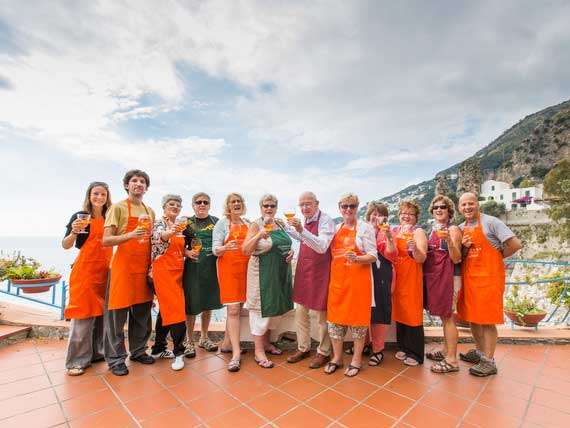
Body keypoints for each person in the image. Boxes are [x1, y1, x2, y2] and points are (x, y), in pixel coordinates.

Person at [457, 192, 522, 377]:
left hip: (489, 279)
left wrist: (497, 256)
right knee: (473, 317)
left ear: (478, 204)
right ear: (460, 208)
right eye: (464, 205)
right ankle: (479, 352)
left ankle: (489, 361)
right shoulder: (462, 227)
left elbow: (515, 244)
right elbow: (461, 257)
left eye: (471, 203)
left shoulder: (491, 222)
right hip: (470, 279)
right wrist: (463, 247)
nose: (467, 207)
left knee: (487, 320)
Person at [103, 169, 156, 376]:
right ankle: (116, 359)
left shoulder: (149, 211)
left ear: (146, 188)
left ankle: (138, 351)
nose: (139, 184)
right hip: (123, 269)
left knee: (142, 315)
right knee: (117, 316)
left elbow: (152, 240)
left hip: (142, 269)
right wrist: (131, 234)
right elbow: (106, 240)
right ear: (127, 185)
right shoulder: (117, 208)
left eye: (142, 181)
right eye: (134, 181)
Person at [62, 182, 113, 376]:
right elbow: (66, 245)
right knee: (82, 315)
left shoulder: (110, 218)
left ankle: (95, 353)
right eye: (96, 194)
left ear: (107, 197)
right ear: (89, 195)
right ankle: (75, 361)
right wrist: (74, 232)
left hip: (105, 271)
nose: (99, 197)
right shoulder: (80, 217)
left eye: (103, 194)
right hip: (85, 271)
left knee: (101, 316)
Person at [324, 193, 377, 377]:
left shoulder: (365, 228)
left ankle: (356, 360)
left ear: (357, 207)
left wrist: (358, 258)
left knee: (358, 324)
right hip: (337, 283)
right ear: (339, 207)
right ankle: (337, 358)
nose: (348, 209)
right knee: (335, 323)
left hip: (358, 284)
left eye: (352, 206)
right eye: (345, 206)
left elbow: (373, 255)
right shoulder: (335, 228)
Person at [281, 191, 334, 369]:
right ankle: (303, 348)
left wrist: (301, 230)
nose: (304, 207)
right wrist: (286, 228)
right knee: (301, 312)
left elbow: (321, 246)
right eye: (301, 204)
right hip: (304, 269)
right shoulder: (305, 220)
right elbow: (302, 237)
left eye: (308, 204)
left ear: (317, 203)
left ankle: (324, 351)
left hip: (321, 271)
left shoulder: (326, 220)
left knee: (321, 314)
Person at [242, 194, 294, 369]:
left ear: (276, 207)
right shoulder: (256, 224)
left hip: (279, 274)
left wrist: (291, 252)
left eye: (272, 205)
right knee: (261, 311)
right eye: (266, 206)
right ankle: (258, 352)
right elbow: (245, 250)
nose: (269, 208)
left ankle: (266, 343)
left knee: (274, 310)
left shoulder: (280, 223)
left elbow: (286, 244)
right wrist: (258, 236)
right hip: (261, 274)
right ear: (261, 207)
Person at [423, 195, 462, 373]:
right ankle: (446, 351)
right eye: (436, 207)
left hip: (450, 278)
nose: (439, 210)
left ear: (449, 211)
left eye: (443, 207)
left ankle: (452, 360)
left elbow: (456, 258)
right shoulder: (433, 230)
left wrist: (448, 241)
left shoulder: (452, 229)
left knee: (448, 317)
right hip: (438, 278)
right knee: (443, 317)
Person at [148, 194, 187, 371]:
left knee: (165, 311)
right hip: (162, 273)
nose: (175, 207)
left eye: (178, 205)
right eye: (171, 204)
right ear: (164, 207)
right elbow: (157, 238)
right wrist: (168, 233)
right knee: (177, 312)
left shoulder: (181, 224)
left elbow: (181, 247)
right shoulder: (160, 223)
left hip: (177, 273)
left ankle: (158, 349)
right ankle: (179, 352)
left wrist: (188, 253)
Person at [212, 193, 250, 372]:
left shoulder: (248, 223)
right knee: (233, 309)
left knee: (239, 308)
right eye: (233, 202)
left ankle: (227, 343)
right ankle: (236, 354)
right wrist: (225, 247)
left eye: (239, 201)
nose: (236, 204)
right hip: (228, 270)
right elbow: (215, 250)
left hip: (246, 270)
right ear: (227, 205)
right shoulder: (222, 223)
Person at [182, 192, 222, 358]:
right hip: (192, 268)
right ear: (193, 205)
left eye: (205, 202)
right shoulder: (186, 223)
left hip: (211, 268)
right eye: (198, 202)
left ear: (210, 204)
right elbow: (177, 245)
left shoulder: (216, 222)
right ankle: (189, 340)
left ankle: (204, 337)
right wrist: (186, 253)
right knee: (191, 305)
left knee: (208, 303)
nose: (202, 205)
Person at [392, 200, 428, 366]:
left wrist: (414, 247)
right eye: (403, 213)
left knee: (412, 314)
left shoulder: (418, 232)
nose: (406, 216)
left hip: (411, 278)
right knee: (400, 313)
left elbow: (421, 258)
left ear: (416, 217)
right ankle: (404, 347)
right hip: (397, 278)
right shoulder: (395, 231)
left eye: (410, 214)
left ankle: (416, 353)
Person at [364, 201, 397, 367]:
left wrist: (389, 235)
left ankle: (377, 349)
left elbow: (392, 255)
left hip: (381, 276)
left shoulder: (385, 234)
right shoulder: (363, 230)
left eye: (379, 214)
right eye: (373, 214)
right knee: (363, 311)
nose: (375, 217)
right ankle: (364, 344)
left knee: (379, 312)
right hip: (364, 275)